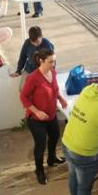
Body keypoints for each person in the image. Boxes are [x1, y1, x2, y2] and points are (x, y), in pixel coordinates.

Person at [20, 49, 67, 185]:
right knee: (40, 144)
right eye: (50, 61)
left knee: (55, 136)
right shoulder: (33, 77)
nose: (53, 64)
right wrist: (36, 111)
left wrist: (61, 99)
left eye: (54, 61)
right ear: (41, 61)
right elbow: (23, 97)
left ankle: (51, 159)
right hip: (36, 119)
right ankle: (39, 170)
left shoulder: (52, 72)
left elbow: (55, 90)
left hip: (51, 115)